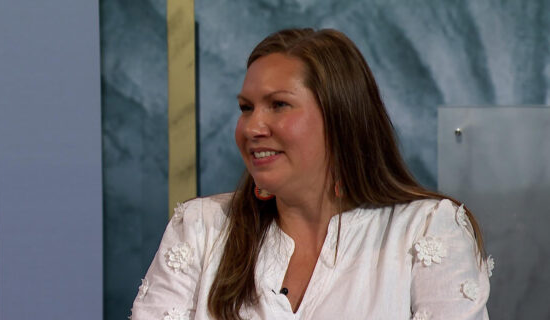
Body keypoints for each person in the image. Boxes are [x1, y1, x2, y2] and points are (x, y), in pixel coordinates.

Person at [130, 28, 491, 320]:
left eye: (279, 105)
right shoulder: (199, 227)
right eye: (246, 107)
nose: (252, 127)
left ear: (340, 118)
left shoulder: (428, 228)